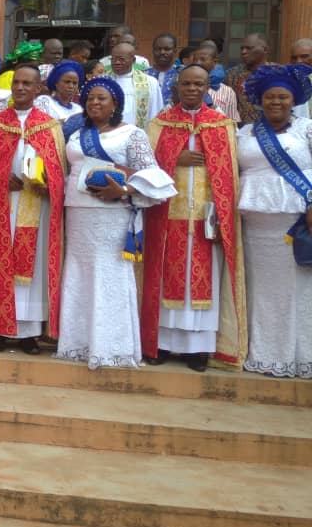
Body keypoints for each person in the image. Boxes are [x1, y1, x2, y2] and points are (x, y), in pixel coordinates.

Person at [55, 76, 176, 369]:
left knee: (109, 275)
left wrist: (123, 190)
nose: (94, 103)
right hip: (78, 212)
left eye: (101, 98)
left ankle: (112, 346)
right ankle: (78, 344)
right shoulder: (75, 131)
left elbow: (154, 175)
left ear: (116, 104)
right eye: (90, 98)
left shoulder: (132, 134)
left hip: (111, 215)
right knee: (79, 274)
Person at [141, 65, 247, 372]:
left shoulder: (221, 125)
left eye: (198, 84)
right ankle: (160, 343)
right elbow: (146, 167)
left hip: (206, 217)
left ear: (206, 88)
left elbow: (229, 175)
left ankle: (197, 349)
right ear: (177, 86)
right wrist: (175, 159)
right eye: (186, 83)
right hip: (167, 215)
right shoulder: (159, 124)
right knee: (165, 278)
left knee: (203, 280)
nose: (191, 88)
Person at [0, 65, 67, 354]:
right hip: (2, 207)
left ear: (38, 89)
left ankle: (29, 333)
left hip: (37, 208)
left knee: (32, 270)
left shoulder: (51, 127)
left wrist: (49, 183)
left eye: (27, 83)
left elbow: (60, 172)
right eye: (16, 83)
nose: (20, 88)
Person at [237, 64, 312, 378]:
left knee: (297, 290)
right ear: (260, 100)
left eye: (282, 97)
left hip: (296, 220)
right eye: (270, 97)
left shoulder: (306, 128)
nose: (276, 102)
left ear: (293, 99)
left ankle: (298, 355)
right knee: (260, 290)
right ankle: (265, 353)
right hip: (256, 224)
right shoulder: (245, 132)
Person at [109, 42, 164, 128]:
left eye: (121, 59)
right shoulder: (104, 81)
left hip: (139, 136)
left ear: (133, 60)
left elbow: (156, 113)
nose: (116, 62)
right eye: (113, 59)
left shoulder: (150, 82)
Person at [226, 33, 270, 124]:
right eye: (242, 48)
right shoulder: (231, 74)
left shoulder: (278, 73)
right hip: (240, 131)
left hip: (270, 131)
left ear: (265, 49)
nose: (243, 52)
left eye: (249, 48)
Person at [193, 44, 240, 122]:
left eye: (202, 59)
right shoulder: (185, 87)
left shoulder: (228, 92)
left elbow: (232, 121)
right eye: (195, 59)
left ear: (214, 62)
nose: (197, 63)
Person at [146, 33, 180, 105]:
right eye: (158, 49)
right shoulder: (143, 75)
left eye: (167, 49)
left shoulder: (182, 74)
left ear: (175, 51)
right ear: (153, 51)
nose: (162, 52)